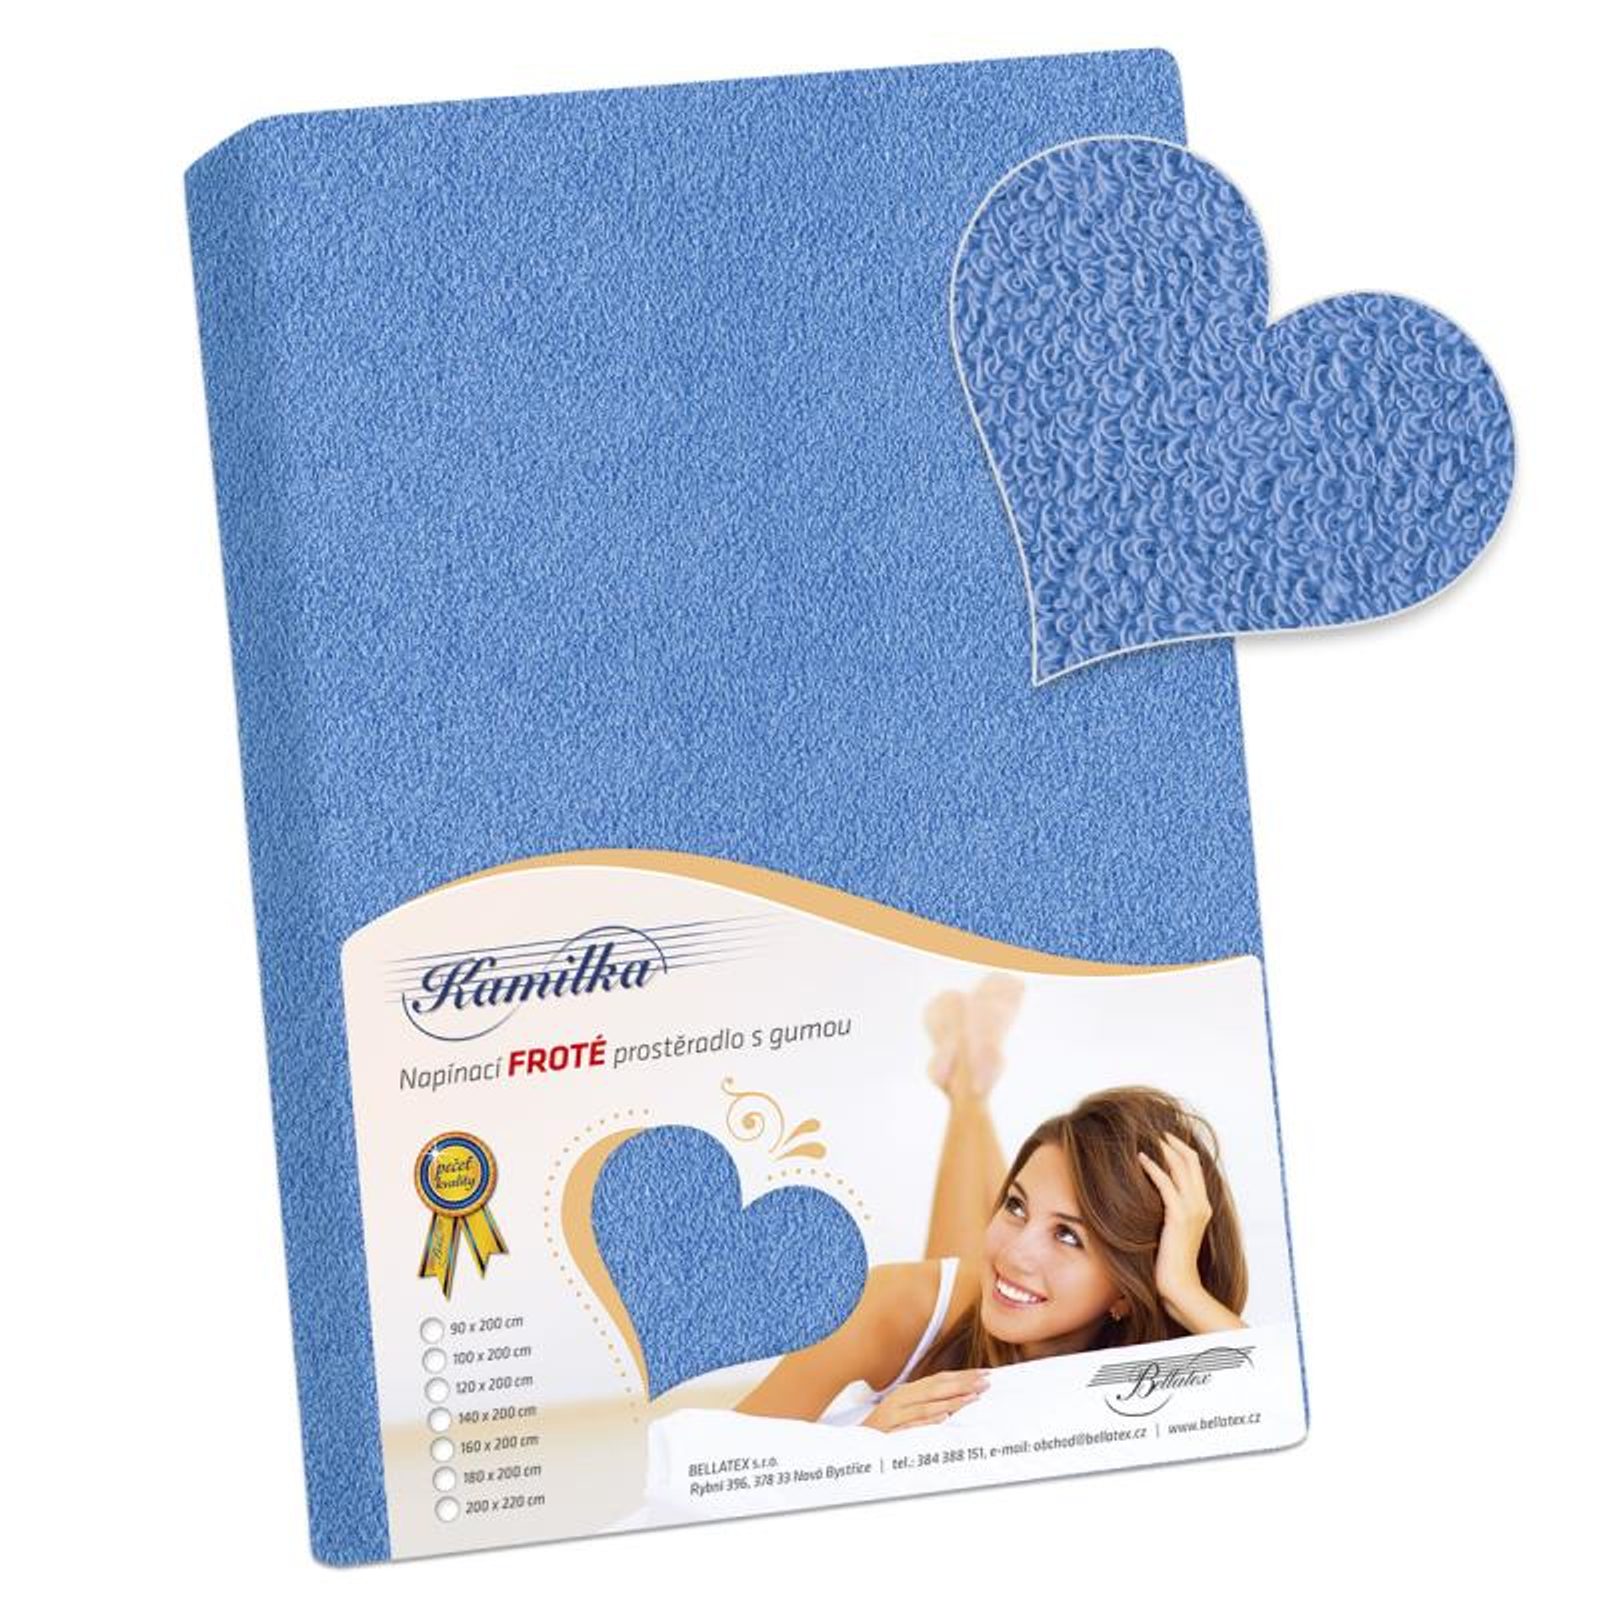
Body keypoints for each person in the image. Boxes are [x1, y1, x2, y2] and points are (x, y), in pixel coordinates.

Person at [734, 975, 1248, 1431]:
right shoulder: (887, 1305)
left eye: (1068, 1235)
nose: (1013, 1251)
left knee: (985, 1283)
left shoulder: (1151, 1364)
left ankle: (969, 1085)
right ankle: (968, 1089)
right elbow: (723, 1458)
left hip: (1005, 1316)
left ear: (1129, 1292)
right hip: (933, 1316)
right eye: (1015, 1206)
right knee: (958, 1287)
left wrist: (1182, 1288)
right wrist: (864, 1448)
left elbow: (1268, 1396)